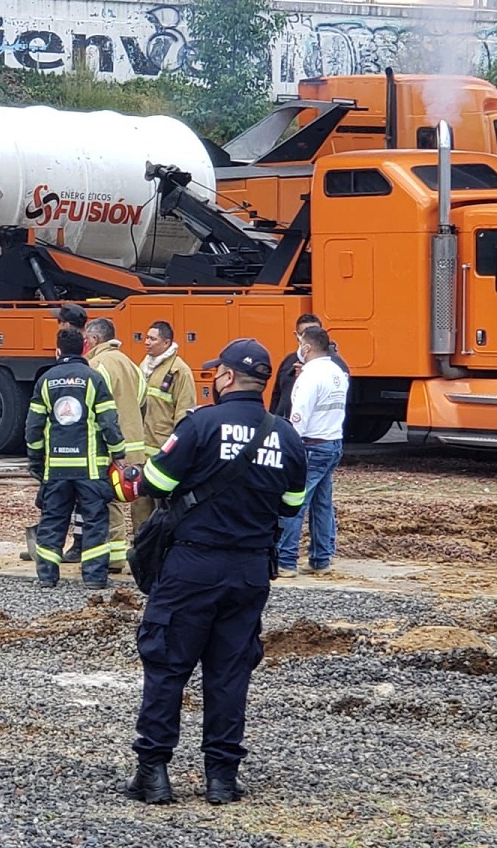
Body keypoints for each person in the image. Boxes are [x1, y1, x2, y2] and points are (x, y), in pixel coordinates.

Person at [128, 338, 305, 806]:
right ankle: (222, 778)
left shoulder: (200, 425)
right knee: (230, 673)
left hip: (192, 565)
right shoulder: (286, 436)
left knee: (167, 666)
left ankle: (154, 773)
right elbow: (290, 507)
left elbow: (156, 483)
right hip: (249, 570)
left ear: (226, 378)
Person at [25, 327, 126, 589]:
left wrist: (36, 460)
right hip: (90, 469)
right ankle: (93, 578)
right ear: (84, 348)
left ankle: (47, 576)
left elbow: (33, 428)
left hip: (56, 469)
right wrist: (119, 453)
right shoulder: (94, 379)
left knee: (53, 520)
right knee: (94, 521)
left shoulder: (45, 380)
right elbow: (109, 423)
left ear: (57, 351)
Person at [275, 326, 347, 577]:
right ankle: (321, 557)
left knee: (295, 501)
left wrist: (288, 448)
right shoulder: (337, 372)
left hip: (311, 445)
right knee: (322, 503)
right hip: (332, 443)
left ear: (306, 348)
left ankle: (285, 560)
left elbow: (299, 417)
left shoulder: (309, 376)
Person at [84, 318, 146, 573]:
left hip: (111, 446)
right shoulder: (130, 363)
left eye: (88, 339)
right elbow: (142, 397)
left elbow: (97, 409)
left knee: (109, 502)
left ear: (96, 339)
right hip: (135, 444)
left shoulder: (97, 365)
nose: (86, 344)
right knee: (128, 499)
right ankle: (131, 554)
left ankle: (114, 558)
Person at [136, 320, 196, 532]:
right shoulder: (144, 367)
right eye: (146, 337)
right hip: (141, 452)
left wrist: (177, 452)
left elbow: (184, 415)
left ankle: (161, 551)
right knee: (140, 505)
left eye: (152, 339)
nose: (146, 342)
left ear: (167, 342)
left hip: (164, 453)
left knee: (164, 507)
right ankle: (141, 549)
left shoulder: (179, 371)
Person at [270, 313, 349, 419]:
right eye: (305, 333)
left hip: (316, 429)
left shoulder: (336, 364)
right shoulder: (288, 362)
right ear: (297, 336)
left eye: (314, 331)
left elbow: (341, 395)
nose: (311, 336)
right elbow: (277, 396)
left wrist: (308, 376)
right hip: (287, 425)